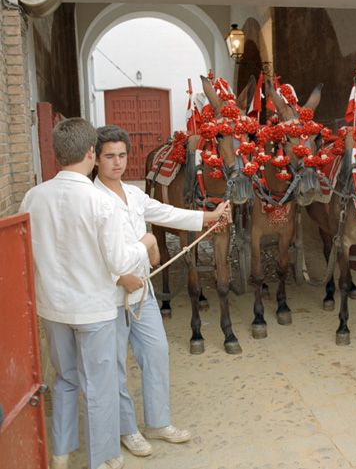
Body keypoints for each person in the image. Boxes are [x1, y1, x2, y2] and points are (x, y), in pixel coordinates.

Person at [19, 118, 157, 469]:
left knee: (65, 378)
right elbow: (120, 260)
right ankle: (104, 457)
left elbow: (25, 253)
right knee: (100, 385)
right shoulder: (100, 202)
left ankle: (62, 453)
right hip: (94, 310)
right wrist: (146, 243)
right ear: (91, 153)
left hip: (52, 308)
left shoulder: (34, 196)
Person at [93, 125, 230, 458]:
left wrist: (209, 216)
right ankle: (127, 430)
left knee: (156, 352)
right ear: (95, 159)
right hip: (109, 298)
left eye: (122, 155)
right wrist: (119, 277)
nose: (117, 162)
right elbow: (90, 250)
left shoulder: (135, 194)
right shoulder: (92, 199)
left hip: (143, 294)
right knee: (115, 367)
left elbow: (168, 213)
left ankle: (157, 422)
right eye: (109, 156)